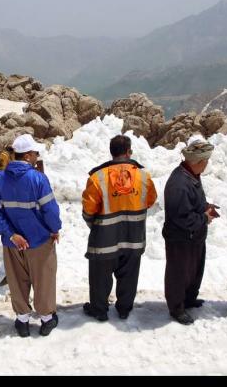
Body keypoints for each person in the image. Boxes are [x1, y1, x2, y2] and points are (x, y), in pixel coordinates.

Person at [0, 134, 62, 337]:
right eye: (35, 153)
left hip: (13, 244)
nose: (37, 156)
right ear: (28, 155)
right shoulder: (38, 178)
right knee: (43, 279)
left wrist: (12, 235)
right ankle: (47, 318)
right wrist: (55, 229)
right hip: (39, 241)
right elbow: (50, 211)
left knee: (17, 280)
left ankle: (22, 320)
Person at [81, 135, 157, 321]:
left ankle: (99, 310)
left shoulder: (98, 177)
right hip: (133, 237)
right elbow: (150, 200)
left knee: (100, 277)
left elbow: (88, 208)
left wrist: (94, 224)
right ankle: (124, 309)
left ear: (111, 152)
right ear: (129, 152)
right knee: (129, 275)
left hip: (104, 239)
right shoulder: (143, 176)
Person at [163, 139, 218, 325]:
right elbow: (182, 217)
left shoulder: (191, 176)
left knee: (193, 271)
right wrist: (205, 218)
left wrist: (206, 206)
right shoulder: (179, 184)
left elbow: (195, 203)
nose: (207, 164)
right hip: (181, 238)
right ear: (198, 162)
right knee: (179, 273)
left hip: (193, 236)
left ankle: (189, 299)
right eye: (206, 161)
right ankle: (177, 308)